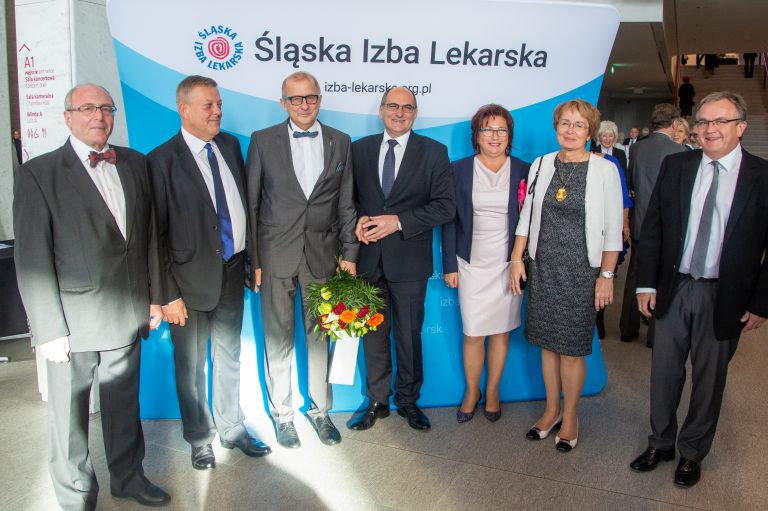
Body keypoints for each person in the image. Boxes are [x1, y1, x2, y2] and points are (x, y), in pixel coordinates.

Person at [14, 83, 170, 509]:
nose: (98, 116)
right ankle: (77, 494)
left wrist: (153, 297)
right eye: (86, 108)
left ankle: (129, 478)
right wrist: (48, 329)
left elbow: (149, 237)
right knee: (69, 417)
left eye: (105, 107)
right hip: (71, 322)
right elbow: (31, 258)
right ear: (68, 117)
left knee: (123, 406)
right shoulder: (39, 174)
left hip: (126, 311)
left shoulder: (135, 163)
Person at [629, 91, 768, 488]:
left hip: (725, 295)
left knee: (709, 380)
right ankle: (660, 443)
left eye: (720, 121)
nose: (709, 129)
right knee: (664, 372)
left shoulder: (761, 175)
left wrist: (762, 303)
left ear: (741, 127)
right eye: (703, 121)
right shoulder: (677, 165)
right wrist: (644, 283)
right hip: (675, 286)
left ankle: (692, 452)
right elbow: (653, 229)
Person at [148, 75, 271, 469]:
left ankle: (232, 428)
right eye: (209, 105)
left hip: (232, 272)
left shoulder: (230, 145)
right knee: (190, 367)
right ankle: (200, 438)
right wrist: (167, 294)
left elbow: (243, 208)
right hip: (186, 285)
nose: (218, 111)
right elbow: (155, 235)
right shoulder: (161, 161)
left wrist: (252, 261)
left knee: (229, 355)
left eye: (219, 104)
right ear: (184, 110)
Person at [246, 71, 357, 448]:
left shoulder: (341, 141)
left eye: (310, 97)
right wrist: (253, 260)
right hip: (275, 254)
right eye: (296, 99)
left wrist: (350, 252)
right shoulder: (262, 141)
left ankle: (320, 411)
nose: (304, 105)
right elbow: (252, 204)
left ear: (320, 99)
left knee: (320, 336)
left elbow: (346, 203)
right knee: (277, 337)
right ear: (284, 103)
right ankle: (282, 415)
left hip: (323, 254)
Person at [510, 99, 623, 452]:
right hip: (543, 268)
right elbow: (527, 216)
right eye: (565, 123)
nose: (570, 130)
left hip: (582, 272)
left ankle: (571, 415)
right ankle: (551, 410)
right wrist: (516, 259)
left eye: (578, 125)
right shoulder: (542, 164)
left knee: (572, 350)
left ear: (590, 132)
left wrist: (606, 275)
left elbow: (613, 229)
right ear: (556, 127)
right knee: (547, 344)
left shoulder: (605, 170)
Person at [346, 87, 454, 432]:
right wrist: (356, 222)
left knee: (408, 335)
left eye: (407, 107)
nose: (399, 112)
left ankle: (408, 400)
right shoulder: (358, 149)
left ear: (415, 113)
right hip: (367, 259)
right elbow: (347, 201)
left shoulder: (434, 152)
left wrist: (399, 221)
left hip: (409, 262)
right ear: (381, 110)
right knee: (372, 336)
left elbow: (445, 207)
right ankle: (377, 400)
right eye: (393, 106)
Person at [441, 104, 528, 423]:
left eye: (501, 130)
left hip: (509, 263)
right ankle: (471, 392)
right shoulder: (458, 170)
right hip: (470, 263)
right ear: (476, 136)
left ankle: (492, 391)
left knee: (501, 332)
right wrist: (449, 264)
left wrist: (520, 260)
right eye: (487, 129)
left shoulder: (525, 170)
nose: (494, 136)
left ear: (509, 135)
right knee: (473, 333)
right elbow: (449, 220)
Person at [619, 104, 685, 345]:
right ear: (674, 123)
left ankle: (627, 328)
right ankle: (655, 336)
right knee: (662, 276)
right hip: (666, 225)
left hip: (640, 220)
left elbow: (630, 183)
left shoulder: (637, 148)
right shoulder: (679, 150)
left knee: (635, 273)